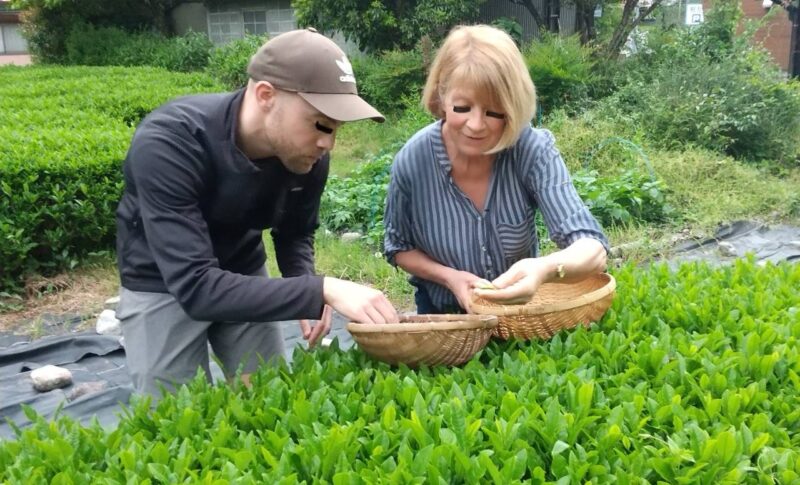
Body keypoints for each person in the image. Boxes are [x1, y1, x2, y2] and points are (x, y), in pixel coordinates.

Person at [115, 28, 398, 396]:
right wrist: (319, 290)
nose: (327, 142)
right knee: (173, 418)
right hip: (163, 282)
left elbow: (295, 230)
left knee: (266, 400)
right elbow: (196, 287)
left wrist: (301, 280)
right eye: (321, 123)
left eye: (336, 129)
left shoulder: (309, 154)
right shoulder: (170, 142)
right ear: (266, 95)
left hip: (242, 269)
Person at [383, 25, 608, 314]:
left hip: (518, 312)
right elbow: (398, 247)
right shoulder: (413, 160)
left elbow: (592, 247)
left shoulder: (530, 149)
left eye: (494, 112)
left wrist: (544, 269)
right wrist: (450, 278)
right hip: (445, 316)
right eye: (462, 107)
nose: (476, 125)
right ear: (442, 96)